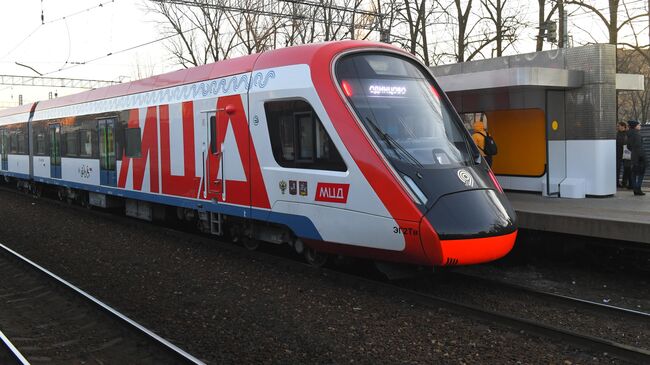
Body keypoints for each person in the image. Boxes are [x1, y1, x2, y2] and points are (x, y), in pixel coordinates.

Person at [626, 120, 646, 196]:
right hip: (640, 156)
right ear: (635, 126)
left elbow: (628, 146)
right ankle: (638, 188)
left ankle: (635, 189)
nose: (640, 126)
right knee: (641, 172)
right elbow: (638, 146)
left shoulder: (629, 134)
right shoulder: (637, 134)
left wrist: (634, 151)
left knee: (634, 173)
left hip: (634, 156)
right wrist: (641, 155)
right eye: (638, 125)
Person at [616, 121, 627, 187]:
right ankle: (617, 183)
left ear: (623, 126)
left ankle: (624, 182)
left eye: (618, 126)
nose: (617, 127)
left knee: (626, 169)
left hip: (626, 154)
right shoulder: (617, 134)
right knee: (617, 169)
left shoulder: (627, 134)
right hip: (618, 154)